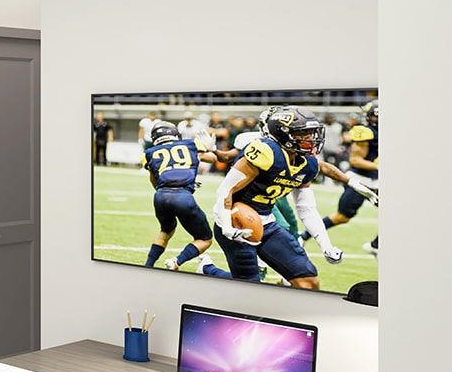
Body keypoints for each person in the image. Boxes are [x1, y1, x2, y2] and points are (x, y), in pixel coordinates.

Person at [212, 106, 342, 289]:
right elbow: (225, 190)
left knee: (308, 282)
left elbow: (306, 208)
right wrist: (226, 225)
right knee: (250, 288)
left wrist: (326, 245)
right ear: (283, 134)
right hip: (236, 220)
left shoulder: (308, 164)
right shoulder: (266, 152)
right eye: (303, 134)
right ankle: (210, 270)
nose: (310, 139)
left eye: (311, 133)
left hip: (267, 222)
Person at [142, 121, 232, 277]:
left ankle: (148, 265)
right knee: (205, 239)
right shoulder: (191, 144)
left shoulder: (149, 152)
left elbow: (153, 179)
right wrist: (212, 147)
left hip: (160, 195)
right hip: (183, 197)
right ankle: (176, 261)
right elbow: (211, 158)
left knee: (166, 230)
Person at [323, 99, 379, 255]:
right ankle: (304, 235)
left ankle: (376, 245)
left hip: (377, 180)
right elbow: (355, 160)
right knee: (342, 217)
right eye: (375, 116)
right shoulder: (366, 132)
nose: (378, 120)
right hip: (359, 180)